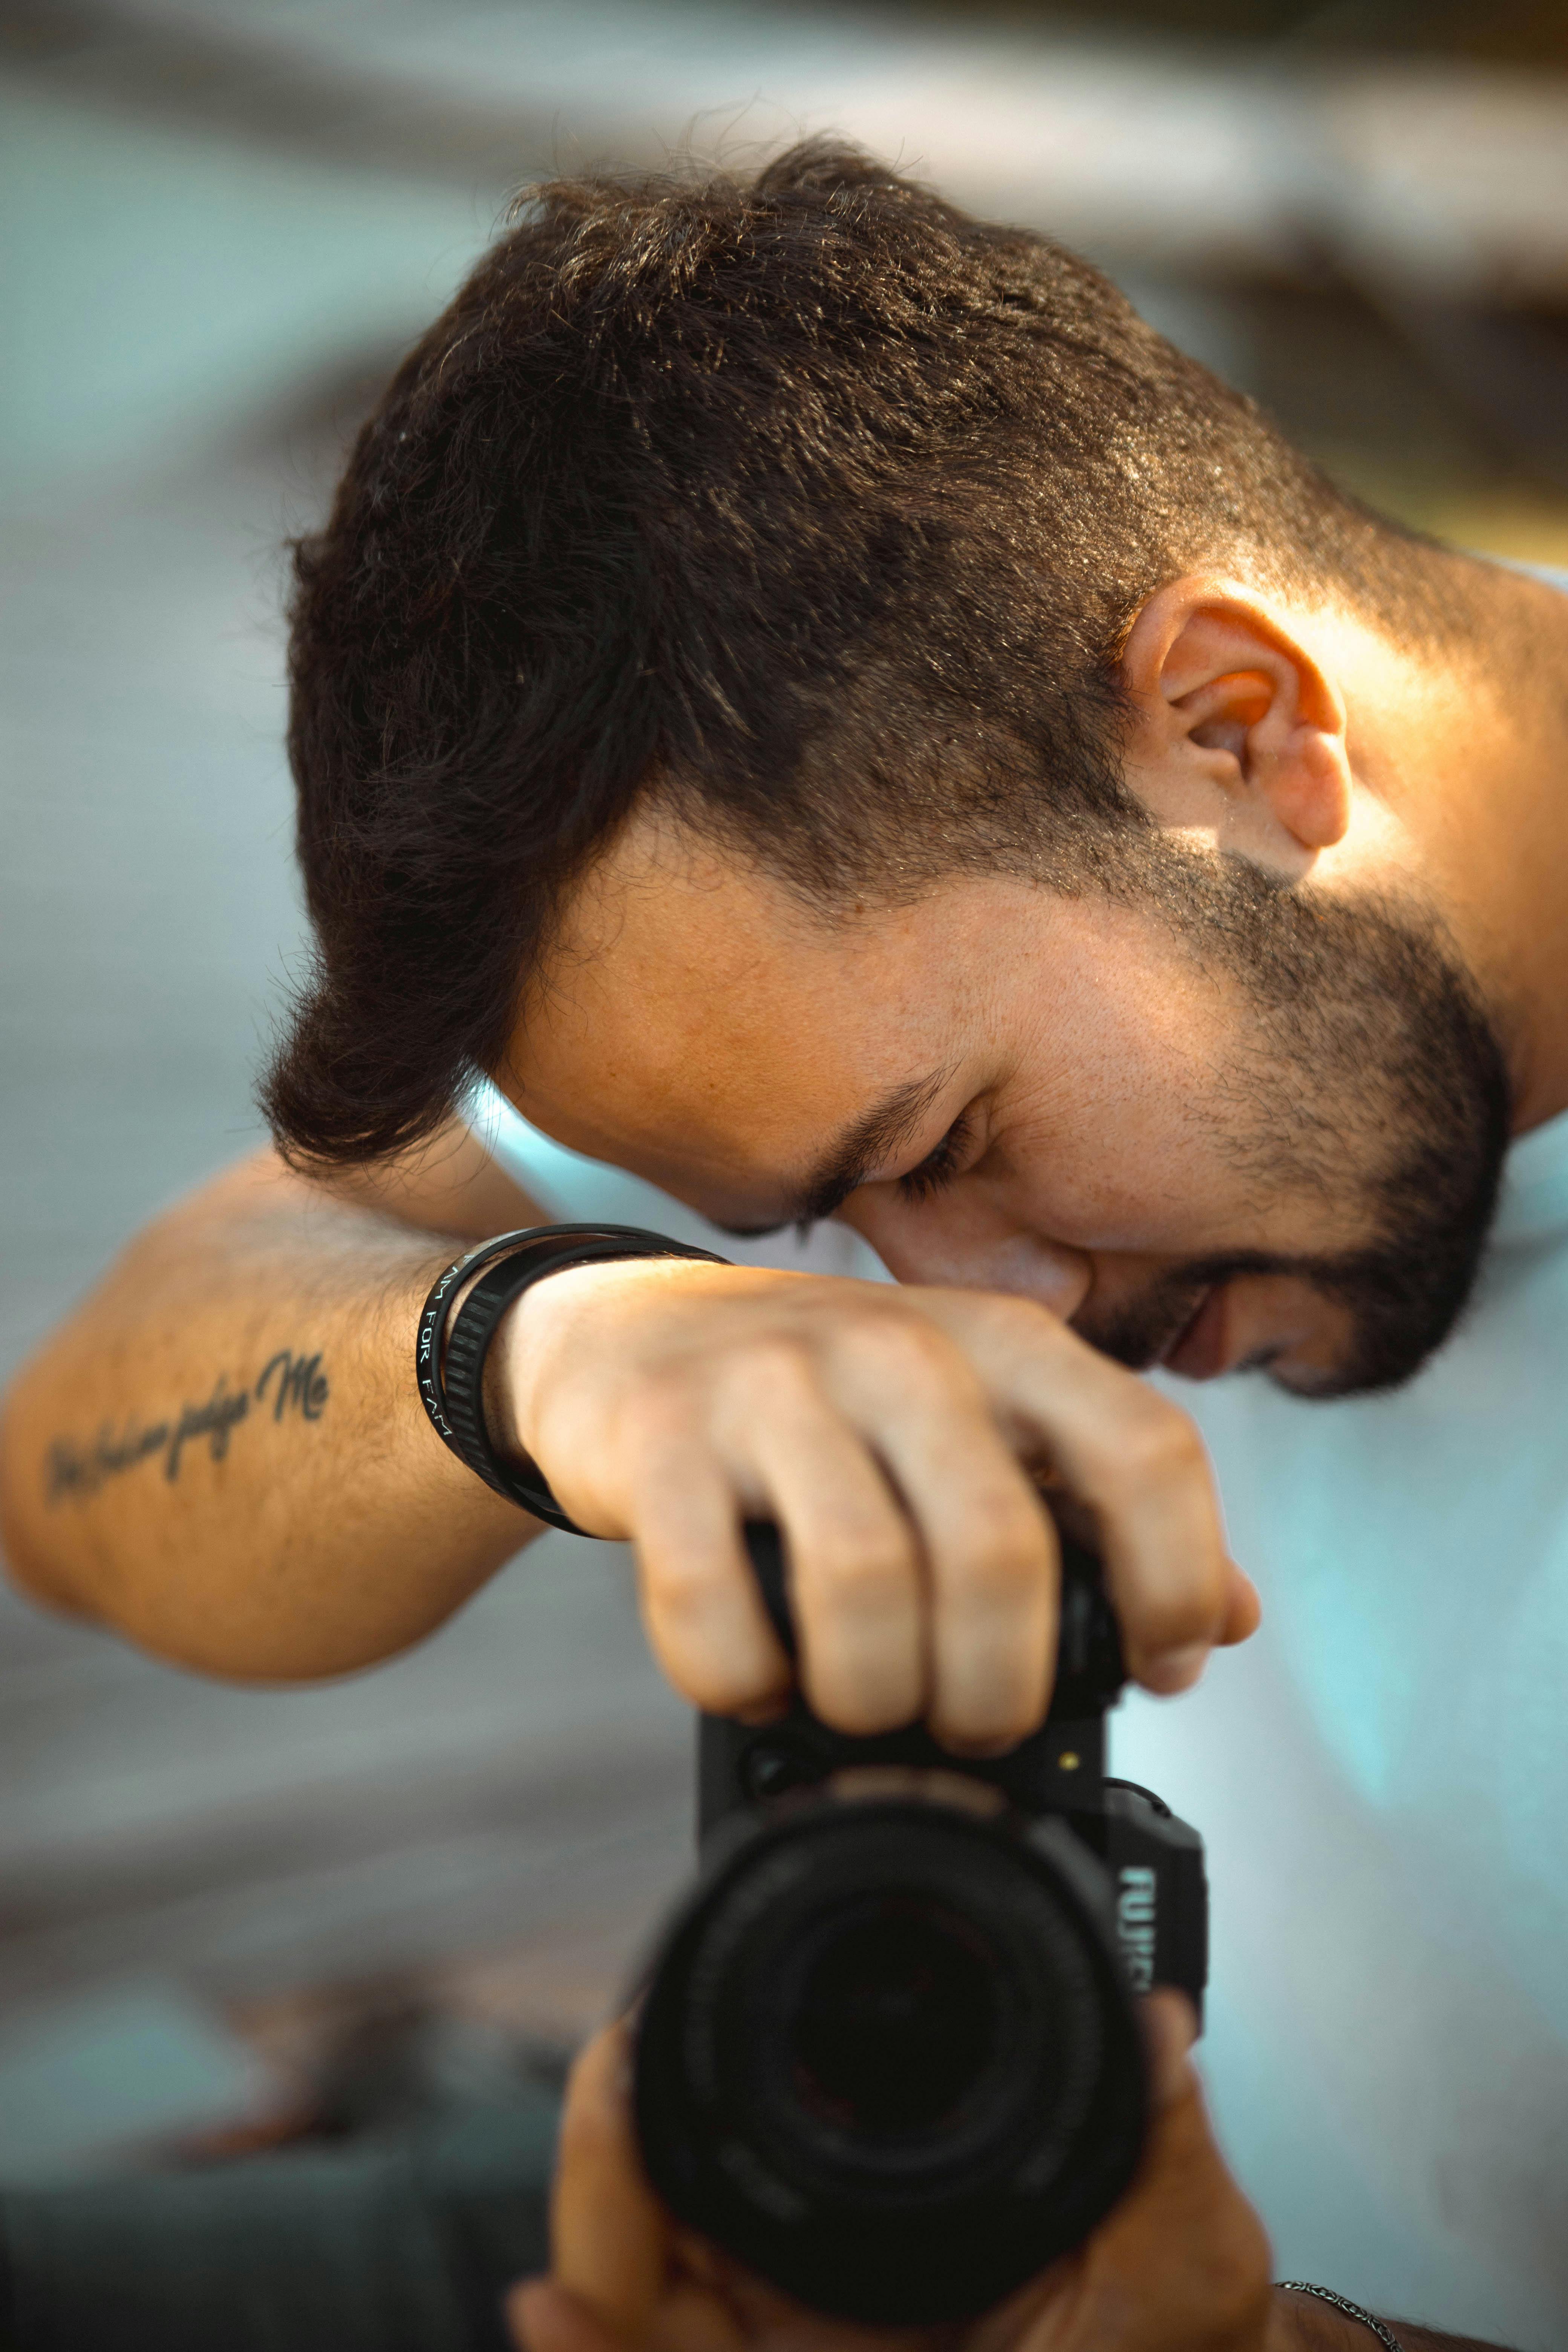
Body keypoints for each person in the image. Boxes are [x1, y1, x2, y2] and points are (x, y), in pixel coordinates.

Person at [0, 141, 1563, 2345]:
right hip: (787, 2160)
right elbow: (75, 1468)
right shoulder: (823, 979)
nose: (978, 1312)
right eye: (831, 1218)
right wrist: (552, 1349)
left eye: (953, 1140)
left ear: (1239, 726)